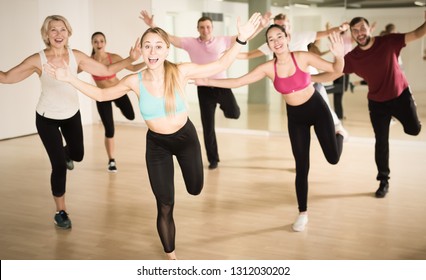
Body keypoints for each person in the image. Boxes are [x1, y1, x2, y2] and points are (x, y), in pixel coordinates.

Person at [45, 13, 261, 259]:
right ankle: (171, 258)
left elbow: (220, 65)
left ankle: (190, 188)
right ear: (142, 51)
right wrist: (69, 78)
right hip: (157, 145)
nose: (152, 50)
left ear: (167, 50)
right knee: (165, 204)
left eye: (158, 45)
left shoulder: (181, 71)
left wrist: (241, 40)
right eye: (147, 46)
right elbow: (103, 95)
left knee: (195, 188)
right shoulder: (134, 80)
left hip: (185, 138)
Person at [195, 25, 345, 232]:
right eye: (272, 39)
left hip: (317, 109)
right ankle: (303, 212)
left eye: (279, 36)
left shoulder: (302, 57)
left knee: (333, 158)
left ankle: (339, 133)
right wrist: (207, 80)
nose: (276, 41)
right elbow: (239, 81)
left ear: (287, 38)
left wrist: (340, 56)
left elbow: (336, 70)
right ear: (269, 45)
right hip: (296, 118)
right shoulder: (268, 68)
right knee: (302, 166)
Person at [0, 15, 141, 229]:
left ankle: (66, 154)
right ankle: (61, 211)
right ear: (46, 34)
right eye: (53, 30)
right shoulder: (38, 59)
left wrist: (130, 59)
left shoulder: (76, 57)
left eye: (62, 29)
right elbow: (8, 77)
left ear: (69, 33)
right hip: (46, 118)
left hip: (71, 114)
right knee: (58, 166)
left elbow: (105, 70)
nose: (58, 34)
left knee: (78, 154)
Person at [139, 10, 268, 170]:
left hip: (222, 85)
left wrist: (261, 26)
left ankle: (223, 106)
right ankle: (213, 159)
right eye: (202, 27)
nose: (205, 30)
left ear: (212, 28)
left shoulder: (223, 40)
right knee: (208, 127)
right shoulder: (190, 43)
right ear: (197, 29)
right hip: (204, 89)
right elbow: (170, 38)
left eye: (208, 27)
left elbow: (246, 35)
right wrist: (153, 25)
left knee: (234, 113)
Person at [317, 12, 425, 198]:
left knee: (414, 130)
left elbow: (416, 34)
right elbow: (333, 74)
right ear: (352, 34)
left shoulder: (389, 42)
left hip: (400, 95)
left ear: (369, 29)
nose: (360, 32)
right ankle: (384, 180)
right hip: (377, 103)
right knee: (381, 142)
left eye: (363, 28)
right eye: (355, 30)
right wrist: (306, 79)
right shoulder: (353, 57)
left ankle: (408, 116)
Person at [239, 13, 349, 138]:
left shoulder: (301, 36)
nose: (281, 28)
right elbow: (248, 55)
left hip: (312, 83)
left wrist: (340, 29)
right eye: (278, 25)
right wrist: (229, 54)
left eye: (284, 25)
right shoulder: (273, 44)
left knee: (325, 110)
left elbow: (325, 33)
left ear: (289, 26)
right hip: (293, 89)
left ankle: (337, 129)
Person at [90, 31, 146, 172]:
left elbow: (132, 67)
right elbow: (74, 69)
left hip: (118, 92)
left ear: (105, 42)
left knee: (130, 116)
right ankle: (111, 161)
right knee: (109, 130)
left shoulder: (113, 57)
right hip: (102, 96)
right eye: (96, 41)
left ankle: (118, 106)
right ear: (92, 44)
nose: (99, 44)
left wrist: (147, 61)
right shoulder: (89, 61)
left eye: (101, 41)